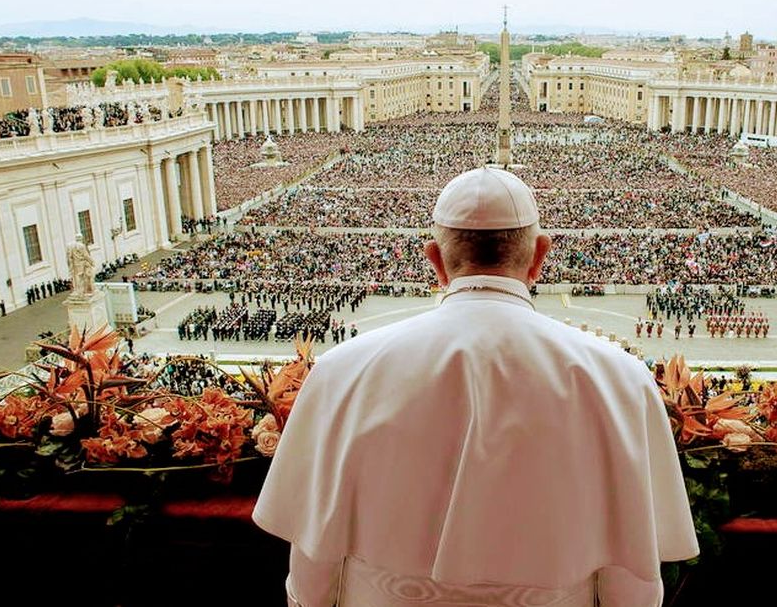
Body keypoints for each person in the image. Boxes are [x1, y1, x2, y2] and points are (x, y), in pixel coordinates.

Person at [255, 166, 698, 607]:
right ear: (539, 255)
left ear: (435, 259)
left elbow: (314, 553)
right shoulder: (619, 377)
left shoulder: (341, 370)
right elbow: (632, 568)